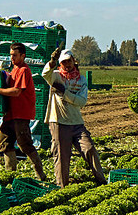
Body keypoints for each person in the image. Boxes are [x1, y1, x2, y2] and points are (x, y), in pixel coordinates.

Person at [42, 49, 106, 187]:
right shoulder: (56, 76)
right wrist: (52, 61)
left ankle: (101, 181)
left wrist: (65, 93)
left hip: (76, 122)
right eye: (63, 62)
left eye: (69, 61)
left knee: (89, 149)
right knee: (62, 157)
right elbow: (45, 74)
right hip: (58, 122)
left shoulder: (81, 80)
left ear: (73, 61)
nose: (67, 65)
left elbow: (81, 101)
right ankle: (62, 187)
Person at [0, 42, 47, 180]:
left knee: (25, 145)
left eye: (14, 55)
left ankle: (40, 175)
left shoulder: (24, 70)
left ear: (22, 56)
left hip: (21, 114)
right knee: (4, 143)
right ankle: (10, 175)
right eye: (11, 55)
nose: (11, 58)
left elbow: (17, 92)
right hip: (10, 114)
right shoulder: (14, 69)